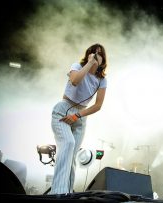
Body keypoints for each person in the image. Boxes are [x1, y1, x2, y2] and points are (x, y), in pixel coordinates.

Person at [49, 43, 108, 194]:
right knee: (68, 144)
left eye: (99, 54)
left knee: (72, 155)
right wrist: (89, 64)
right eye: (93, 52)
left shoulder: (101, 80)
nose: (96, 55)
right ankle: (58, 192)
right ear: (88, 54)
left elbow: (98, 105)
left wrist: (77, 116)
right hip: (63, 110)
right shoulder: (76, 66)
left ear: (103, 59)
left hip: (80, 117)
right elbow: (75, 81)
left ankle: (67, 191)